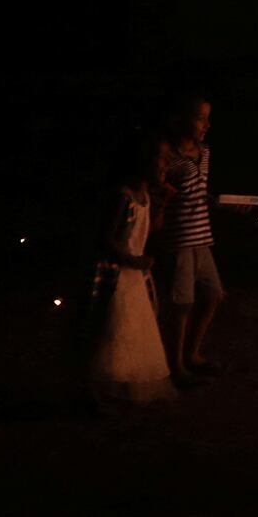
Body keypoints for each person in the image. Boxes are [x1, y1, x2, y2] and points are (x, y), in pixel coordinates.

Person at [87, 135, 176, 405]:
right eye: (160, 157)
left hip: (134, 274)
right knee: (111, 332)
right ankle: (94, 393)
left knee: (132, 331)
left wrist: (163, 203)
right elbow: (106, 238)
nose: (166, 164)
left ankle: (121, 389)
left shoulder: (144, 196)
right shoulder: (122, 196)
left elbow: (148, 230)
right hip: (117, 273)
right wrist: (131, 260)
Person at [162, 97, 224, 386]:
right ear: (182, 119)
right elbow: (161, 193)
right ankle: (176, 365)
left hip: (202, 237)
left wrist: (221, 202)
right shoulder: (168, 155)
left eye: (207, 118)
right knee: (182, 304)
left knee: (213, 295)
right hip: (179, 238)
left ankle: (193, 354)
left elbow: (197, 192)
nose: (206, 125)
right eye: (200, 118)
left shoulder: (205, 152)